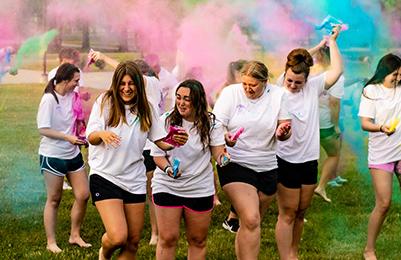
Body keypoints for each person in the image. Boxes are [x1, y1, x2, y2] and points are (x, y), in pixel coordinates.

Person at [86, 61, 187, 259]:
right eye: (122, 84)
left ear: (138, 85)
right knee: (117, 237)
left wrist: (174, 141)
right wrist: (102, 134)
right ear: (116, 84)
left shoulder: (146, 107)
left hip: (134, 179)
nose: (126, 88)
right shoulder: (105, 102)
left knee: (132, 242)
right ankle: (104, 253)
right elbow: (90, 136)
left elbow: (160, 141)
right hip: (105, 175)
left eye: (131, 83)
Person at [274, 26, 343, 260]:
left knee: (302, 211)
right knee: (287, 212)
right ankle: (287, 257)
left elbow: (337, 70)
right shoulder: (277, 90)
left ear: (307, 79)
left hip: (309, 159)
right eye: (290, 80)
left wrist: (331, 42)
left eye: (298, 82)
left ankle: (294, 252)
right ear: (285, 74)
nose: (293, 86)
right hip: (285, 159)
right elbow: (299, 58)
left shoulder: (313, 87)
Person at [213, 60, 292, 259]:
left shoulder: (278, 95)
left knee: (250, 224)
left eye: (253, 85)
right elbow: (216, 125)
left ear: (265, 82)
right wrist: (225, 137)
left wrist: (282, 132)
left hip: (267, 164)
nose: (247, 89)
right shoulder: (231, 93)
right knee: (251, 218)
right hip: (235, 161)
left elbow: (284, 128)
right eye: (245, 84)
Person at [151, 79, 228, 260]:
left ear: (198, 101)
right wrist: (169, 170)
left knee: (197, 239)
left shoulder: (211, 124)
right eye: (178, 97)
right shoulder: (165, 121)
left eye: (187, 98)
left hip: (199, 187)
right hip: (167, 185)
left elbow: (218, 152)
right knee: (168, 238)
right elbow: (157, 156)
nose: (181, 102)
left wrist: (224, 158)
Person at [37, 63, 91, 253]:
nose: (77, 84)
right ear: (65, 80)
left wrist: (81, 135)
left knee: (83, 195)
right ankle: (50, 242)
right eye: (75, 81)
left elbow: (77, 117)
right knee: (54, 199)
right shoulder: (49, 99)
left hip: (73, 153)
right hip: (53, 155)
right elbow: (43, 128)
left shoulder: (72, 96)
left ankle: (74, 235)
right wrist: (67, 137)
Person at [358, 53, 401, 260]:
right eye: (395, 74)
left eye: (400, 74)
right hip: (382, 154)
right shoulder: (371, 91)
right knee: (383, 204)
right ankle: (369, 249)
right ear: (385, 72)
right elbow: (365, 123)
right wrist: (381, 128)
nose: (398, 78)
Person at [309, 45, 347, 203]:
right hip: (325, 124)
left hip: (307, 122)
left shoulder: (310, 73)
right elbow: (334, 103)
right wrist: (336, 125)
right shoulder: (335, 76)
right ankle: (321, 186)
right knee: (334, 154)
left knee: (307, 158)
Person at [48, 47, 89, 190]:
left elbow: (80, 90)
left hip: (75, 111)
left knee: (75, 141)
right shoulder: (54, 73)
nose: (72, 66)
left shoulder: (77, 71)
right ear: (62, 61)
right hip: (61, 112)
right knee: (62, 142)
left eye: (74, 63)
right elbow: (55, 93)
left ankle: (73, 174)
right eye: (68, 63)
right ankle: (60, 176)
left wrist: (85, 95)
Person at [217, 59, 247, 233]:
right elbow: (218, 114)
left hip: (247, 145)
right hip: (230, 144)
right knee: (240, 184)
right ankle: (233, 218)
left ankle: (233, 218)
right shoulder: (227, 90)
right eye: (242, 73)